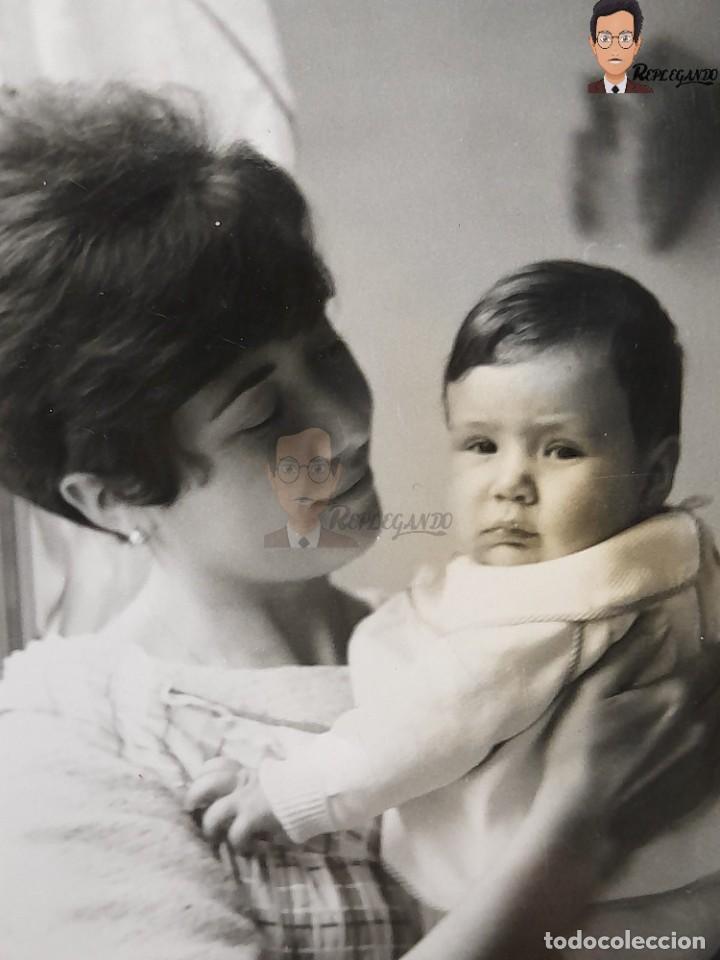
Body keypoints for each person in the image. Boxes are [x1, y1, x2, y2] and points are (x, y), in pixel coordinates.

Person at [0, 84, 718, 960]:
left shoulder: (446, 633)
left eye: (328, 351)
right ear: (111, 494)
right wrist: (575, 838)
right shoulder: (68, 736)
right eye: (261, 411)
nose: (345, 423)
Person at [197, 262, 720, 911]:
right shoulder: (676, 564)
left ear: (652, 474)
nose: (511, 483)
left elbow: (430, 723)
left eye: (560, 450)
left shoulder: (563, 612)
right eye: (480, 445)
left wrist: (291, 791)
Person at [264, 427, 359, 548]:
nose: (303, 482)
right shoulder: (259, 549)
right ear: (272, 477)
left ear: (335, 477)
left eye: (318, 469)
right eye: (289, 469)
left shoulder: (347, 548)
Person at [587, 0, 653, 94]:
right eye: (605, 39)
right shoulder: (584, 93)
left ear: (637, 45)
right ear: (593, 45)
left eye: (625, 38)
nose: (615, 49)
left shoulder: (646, 94)